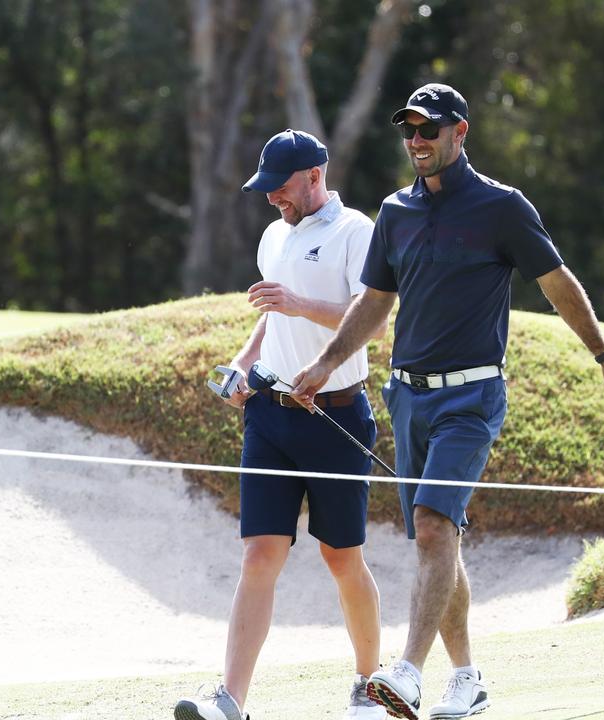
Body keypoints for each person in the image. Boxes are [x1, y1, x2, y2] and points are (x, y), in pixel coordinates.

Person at [290, 84, 604, 720]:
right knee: (438, 539)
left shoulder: (501, 208)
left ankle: (406, 672)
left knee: (432, 527)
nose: (416, 140)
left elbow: (557, 284)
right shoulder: (395, 212)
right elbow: (373, 301)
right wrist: (323, 364)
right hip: (408, 398)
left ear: (461, 133)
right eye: (409, 130)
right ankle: (468, 678)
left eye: (429, 129)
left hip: (473, 397)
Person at [175, 130, 388, 720]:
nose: (272, 198)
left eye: (281, 187)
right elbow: (271, 322)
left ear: (315, 175)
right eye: (266, 188)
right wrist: (243, 368)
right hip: (269, 416)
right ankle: (231, 700)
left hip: (335, 413)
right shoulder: (274, 235)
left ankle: (369, 685)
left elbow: (371, 322)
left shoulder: (357, 233)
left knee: (341, 557)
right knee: (258, 555)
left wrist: (297, 303)